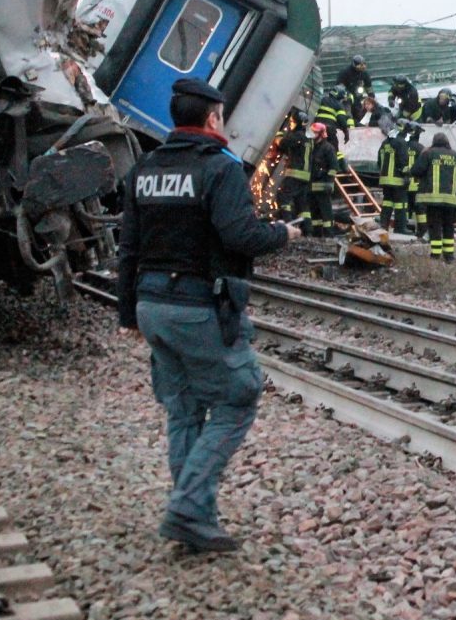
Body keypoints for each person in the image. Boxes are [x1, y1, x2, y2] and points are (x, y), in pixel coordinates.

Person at [117, 78, 301, 553]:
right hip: (197, 306)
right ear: (213, 118)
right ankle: (188, 506)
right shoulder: (220, 170)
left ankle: (194, 516)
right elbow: (241, 237)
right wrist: (284, 234)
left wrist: (129, 315)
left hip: (151, 305)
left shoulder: (145, 169)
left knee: (184, 409)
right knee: (239, 396)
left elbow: (128, 248)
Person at [410, 132, 456, 262]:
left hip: (433, 199)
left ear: (434, 141)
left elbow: (416, 171)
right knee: (448, 226)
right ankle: (449, 255)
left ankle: (435, 254)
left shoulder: (428, 153)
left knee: (435, 226)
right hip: (451, 199)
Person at [272, 110, 312, 225]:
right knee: (301, 203)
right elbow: (292, 150)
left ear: (298, 123)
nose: (290, 124)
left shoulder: (297, 136)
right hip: (305, 176)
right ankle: (307, 230)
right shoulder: (307, 138)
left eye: (292, 122)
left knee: (283, 197)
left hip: (295, 174)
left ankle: (287, 223)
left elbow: (282, 143)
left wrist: (278, 135)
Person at [307, 121, 341, 237]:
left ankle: (329, 235)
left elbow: (334, 167)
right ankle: (317, 235)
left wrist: (327, 179)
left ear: (321, 134)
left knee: (326, 212)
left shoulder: (328, 148)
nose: (313, 135)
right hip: (312, 186)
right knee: (315, 212)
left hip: (323, 186)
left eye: (315, 133)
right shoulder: (312, 147)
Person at [377, 122, 410, 234]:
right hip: (397, 180)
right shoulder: (401, 142)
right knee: (401, 203)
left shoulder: (385, 143)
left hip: (385, 180)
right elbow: (403, 161)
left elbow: (379, 161)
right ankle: (400, 228)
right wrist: (406, 175)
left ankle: (383, 225)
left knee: (387, 202)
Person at [404, 123, 428, 239]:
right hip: (417, 185)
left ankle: (407, 228)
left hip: (403, 184)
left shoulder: (402, 145)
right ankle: (422, 231)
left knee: (406, 208)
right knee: (419, 209)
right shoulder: (421, 148)